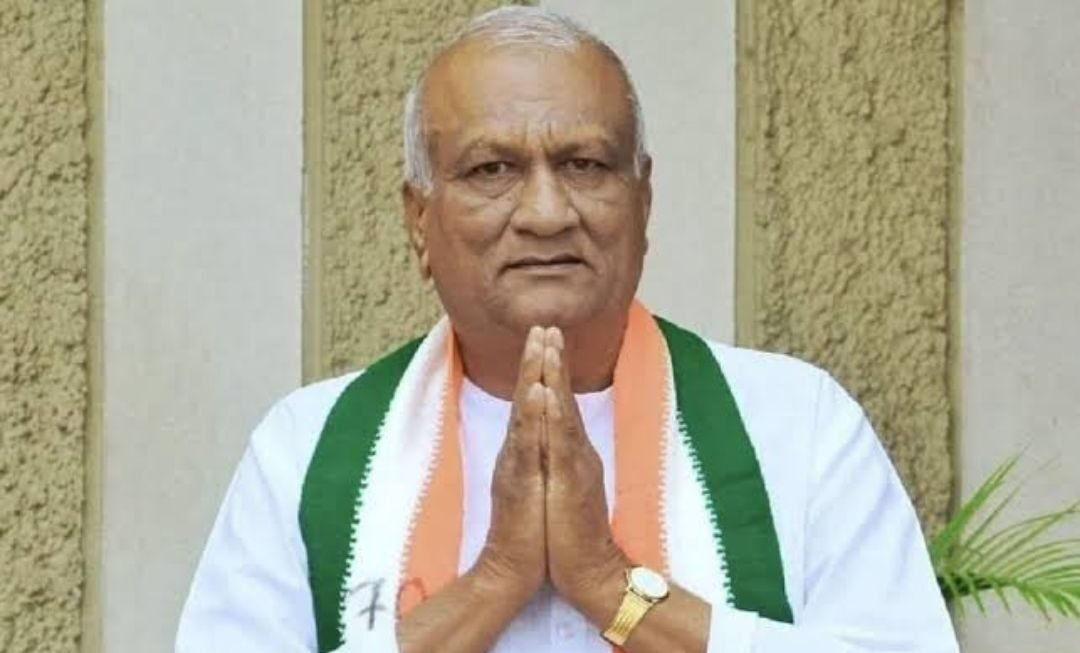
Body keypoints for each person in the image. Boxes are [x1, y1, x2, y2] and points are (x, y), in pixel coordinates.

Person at [176, 7, 958, 653]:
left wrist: (612, 587)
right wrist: (493, 583)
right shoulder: (306, 450)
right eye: (492, 169)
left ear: (643, 202)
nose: (547, 212)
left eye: (585, 164)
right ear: (419, 220)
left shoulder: (796, 425)